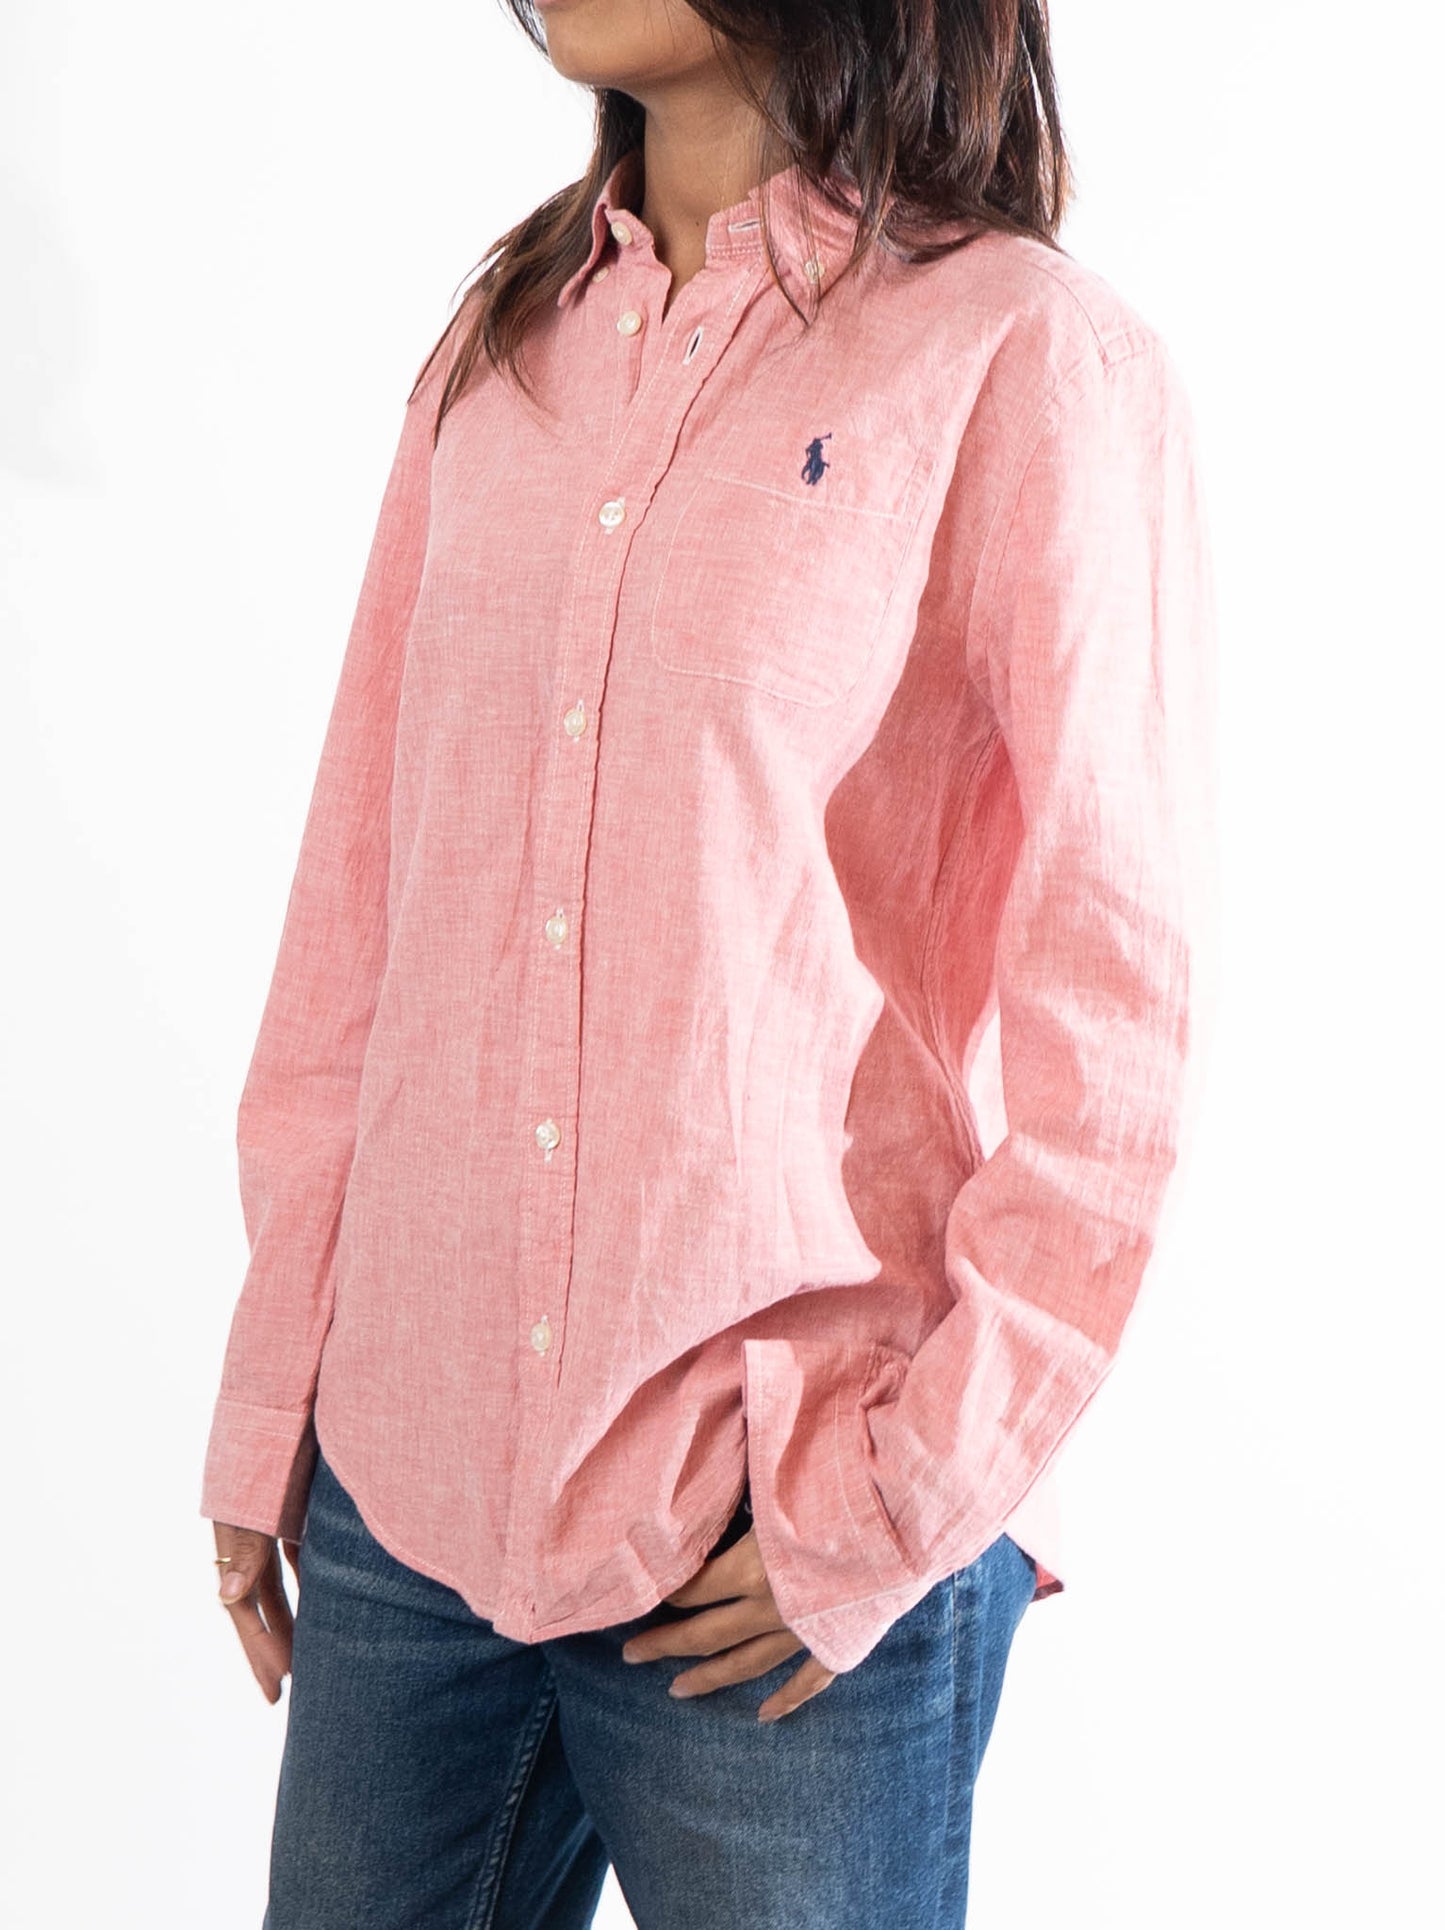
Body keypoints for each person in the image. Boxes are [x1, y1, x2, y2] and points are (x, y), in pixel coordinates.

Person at [200, 1, 1216, 1923]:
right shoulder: (500, 347)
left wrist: (909, 1490)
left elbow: (1118, 1010)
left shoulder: (1021, 357)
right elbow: (358, 909)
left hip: (781, 1522)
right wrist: (277, 1398)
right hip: (411, 1490)